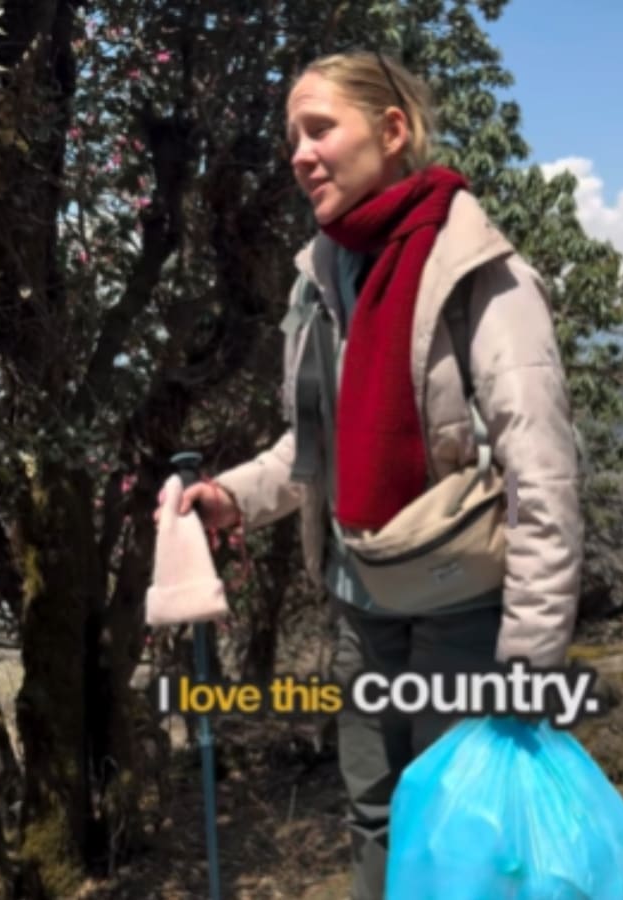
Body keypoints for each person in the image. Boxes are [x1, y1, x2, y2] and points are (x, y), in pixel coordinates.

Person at [155, 51, 581, 900]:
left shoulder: (476, 270)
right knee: (375, 813)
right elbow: (315, 446)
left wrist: (530, 659)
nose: (300, 155)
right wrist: (233, 495)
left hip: (464, 605)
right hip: (361, 594)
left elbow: (543, 470)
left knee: (462, 828)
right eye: (292, 139)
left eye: (320, 129)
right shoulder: (322, 273)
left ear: (391, 131)